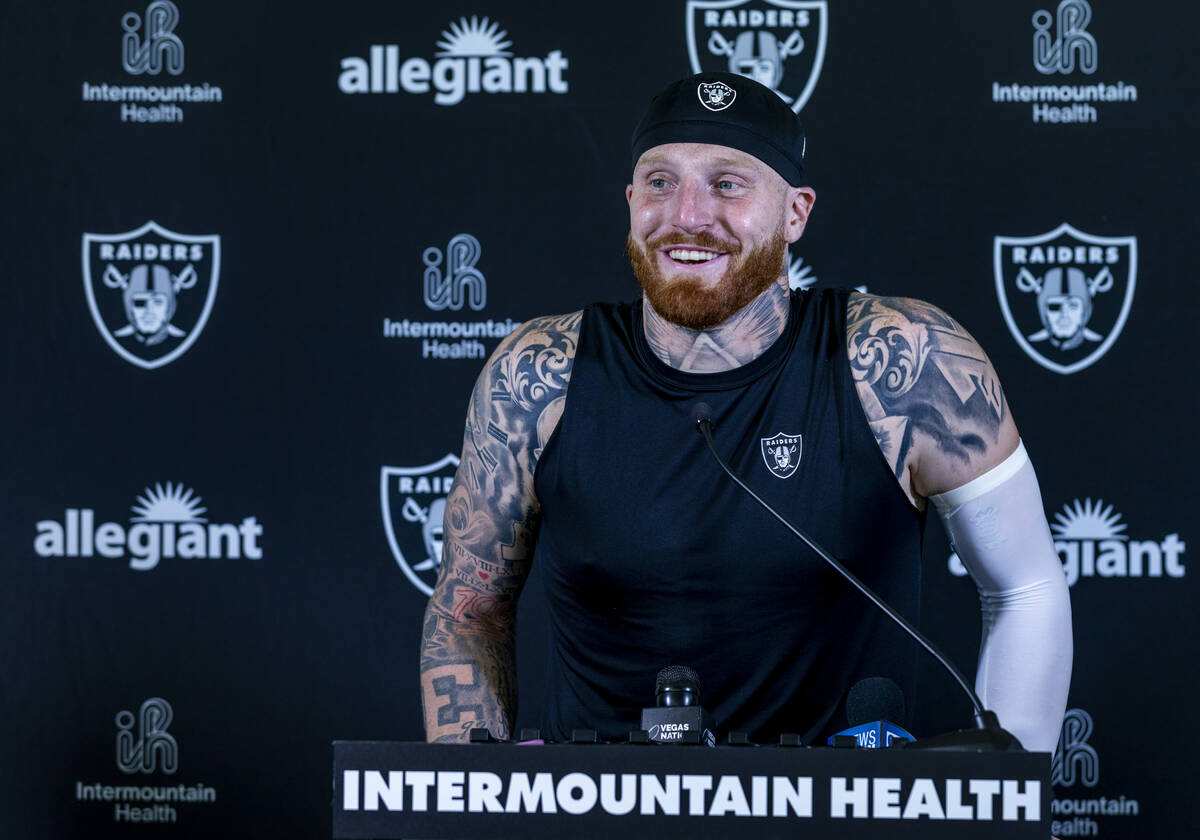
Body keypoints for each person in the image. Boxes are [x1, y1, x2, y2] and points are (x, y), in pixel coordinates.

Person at [419, 71, 1072, 752]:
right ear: (631, 201)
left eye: (728, 184)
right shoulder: (537, 375)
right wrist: (471, 801)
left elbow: (1024, 589)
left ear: (796, 213)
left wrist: (1016, 804)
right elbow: (469, 612)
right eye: (661, 182)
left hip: (838, 816)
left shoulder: (906, 362)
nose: (688, 215)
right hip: (601, 816)